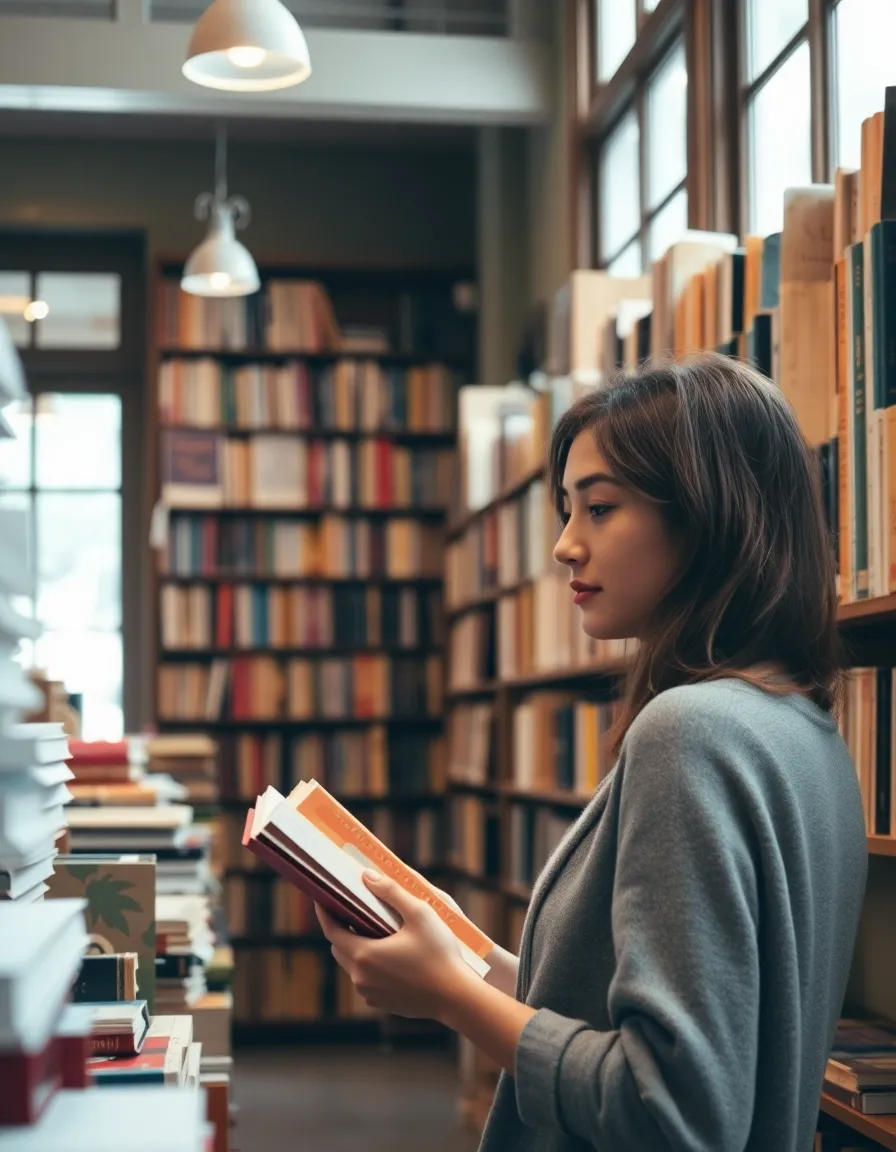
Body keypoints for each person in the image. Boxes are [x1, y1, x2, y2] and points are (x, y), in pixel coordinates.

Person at [317, 354, 868, 1152]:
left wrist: (449, 999)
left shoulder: (690, 734)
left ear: (711, 515)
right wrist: (468, 961)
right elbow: (664, 1025)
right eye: (566, 511)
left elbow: (672, 1112)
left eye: (600, 509)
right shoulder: (803, 725)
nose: (565, 548)